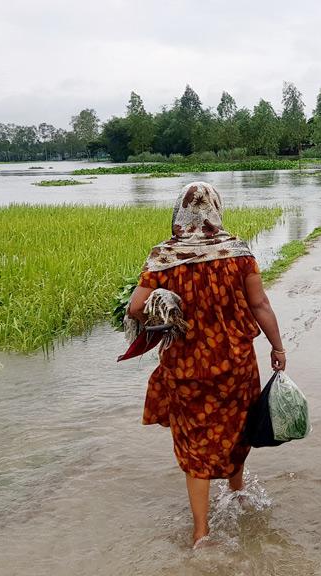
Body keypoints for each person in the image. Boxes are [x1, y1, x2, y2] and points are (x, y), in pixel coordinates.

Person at [127, 181, 287, 548]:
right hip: (235, 363)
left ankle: (201, 533)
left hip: (186, 367)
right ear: (216, 210)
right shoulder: (238, 252)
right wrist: (278, 348)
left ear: (179, 212)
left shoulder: (163, 257)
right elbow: (260, 305)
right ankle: (238, 492)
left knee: (195, 443)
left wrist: (166, 303)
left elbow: (136, 308)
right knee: (237, 427)